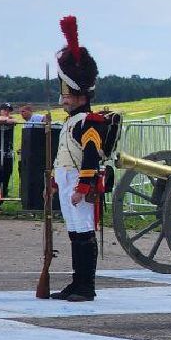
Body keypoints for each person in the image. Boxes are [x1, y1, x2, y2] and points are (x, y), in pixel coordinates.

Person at [50, 16, 111, 301]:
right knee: (75, 233)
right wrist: (54, 181)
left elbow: (90, 157)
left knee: (84, 233)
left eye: (66, 92)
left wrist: (82, 188)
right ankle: (77, 282)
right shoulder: (73, 121)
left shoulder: (90, 121)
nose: (63, 97)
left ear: (78, 93)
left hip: (79, 185)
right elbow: (64, 156)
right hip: (67, 182)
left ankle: (87, 286)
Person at [0, 102, 16, 209]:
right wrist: (5, 120)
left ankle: (2, 197)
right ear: (0, 110)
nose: (7, 112)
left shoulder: (11, 119)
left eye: (8, 110)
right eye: (5, 110)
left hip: (8, 152)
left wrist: (6, 120)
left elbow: (14, 121)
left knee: (7, 175)